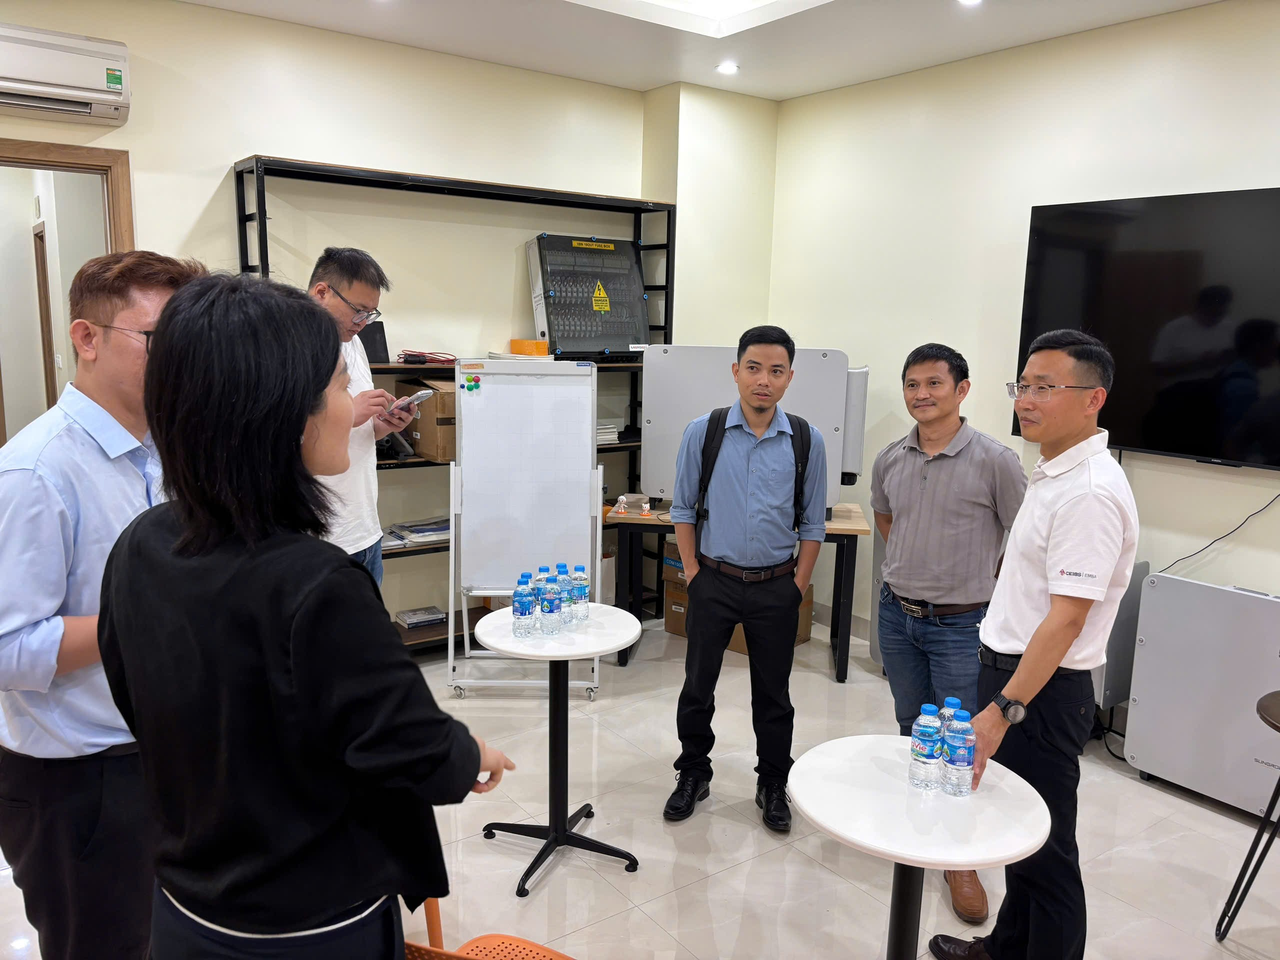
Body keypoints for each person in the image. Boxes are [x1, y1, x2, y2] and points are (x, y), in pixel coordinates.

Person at [97, 274, 514, 959]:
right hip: (312, 925)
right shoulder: (318, 586)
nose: (349, 405)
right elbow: (409, 747)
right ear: (285, 415)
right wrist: (472, 753)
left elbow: (133, 697)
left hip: (184, 908)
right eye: (339, 386)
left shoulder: (140, 544)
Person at [0, 251, 208, 960]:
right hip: (80, 780)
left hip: (166, 751)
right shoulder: (36, 471)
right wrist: (148, 615)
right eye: (157, 339)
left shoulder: (168, 452)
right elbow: (8, 650)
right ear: (86, 338)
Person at [929, 330, 1138, 960]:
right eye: (1023, 386)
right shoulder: (1054, 473)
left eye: (1046, 388)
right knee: (1017, 835)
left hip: (1040, 690)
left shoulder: (1090, 492)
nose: (1026, 400)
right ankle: (1004, 948)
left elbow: (1066, 621)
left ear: (1093, 399)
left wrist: (1002, 710)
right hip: (1015, 677)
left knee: (1046, 853)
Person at [870, 342, 1027, 925]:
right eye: (912, 384)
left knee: (960, 739)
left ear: (962, 390)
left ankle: (960, 860)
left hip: (964, 624)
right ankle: (917, 821)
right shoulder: (891, 458)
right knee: (912, 724)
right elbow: (886, 517)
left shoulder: (995, 461)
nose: (921, 394)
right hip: (897, 615)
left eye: (934, 383)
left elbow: (1024, 538)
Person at [663, 325, 827, 833]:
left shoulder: (806, 440)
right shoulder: (704, 432)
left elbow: (813, 523)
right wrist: (693, 574)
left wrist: (797, 585)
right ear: (736, 371)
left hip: (776, 587)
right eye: (753, 368)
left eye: (776, 371)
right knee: (698, 686)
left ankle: (773, 782)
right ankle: (693, 772)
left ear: (789, 378)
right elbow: (682, 508)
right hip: (713, 580)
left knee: (774, 694)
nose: (763, 380)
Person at [307, 247, 416, 584]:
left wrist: (382, 424)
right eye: (358, 311)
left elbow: (356, 433)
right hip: (318, 540)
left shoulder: (353, 342)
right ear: (322, 292)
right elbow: (274, 438)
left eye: (371, 313)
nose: (363, 322)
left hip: (364, 530)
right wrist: (347, 414)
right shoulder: (284, 348)